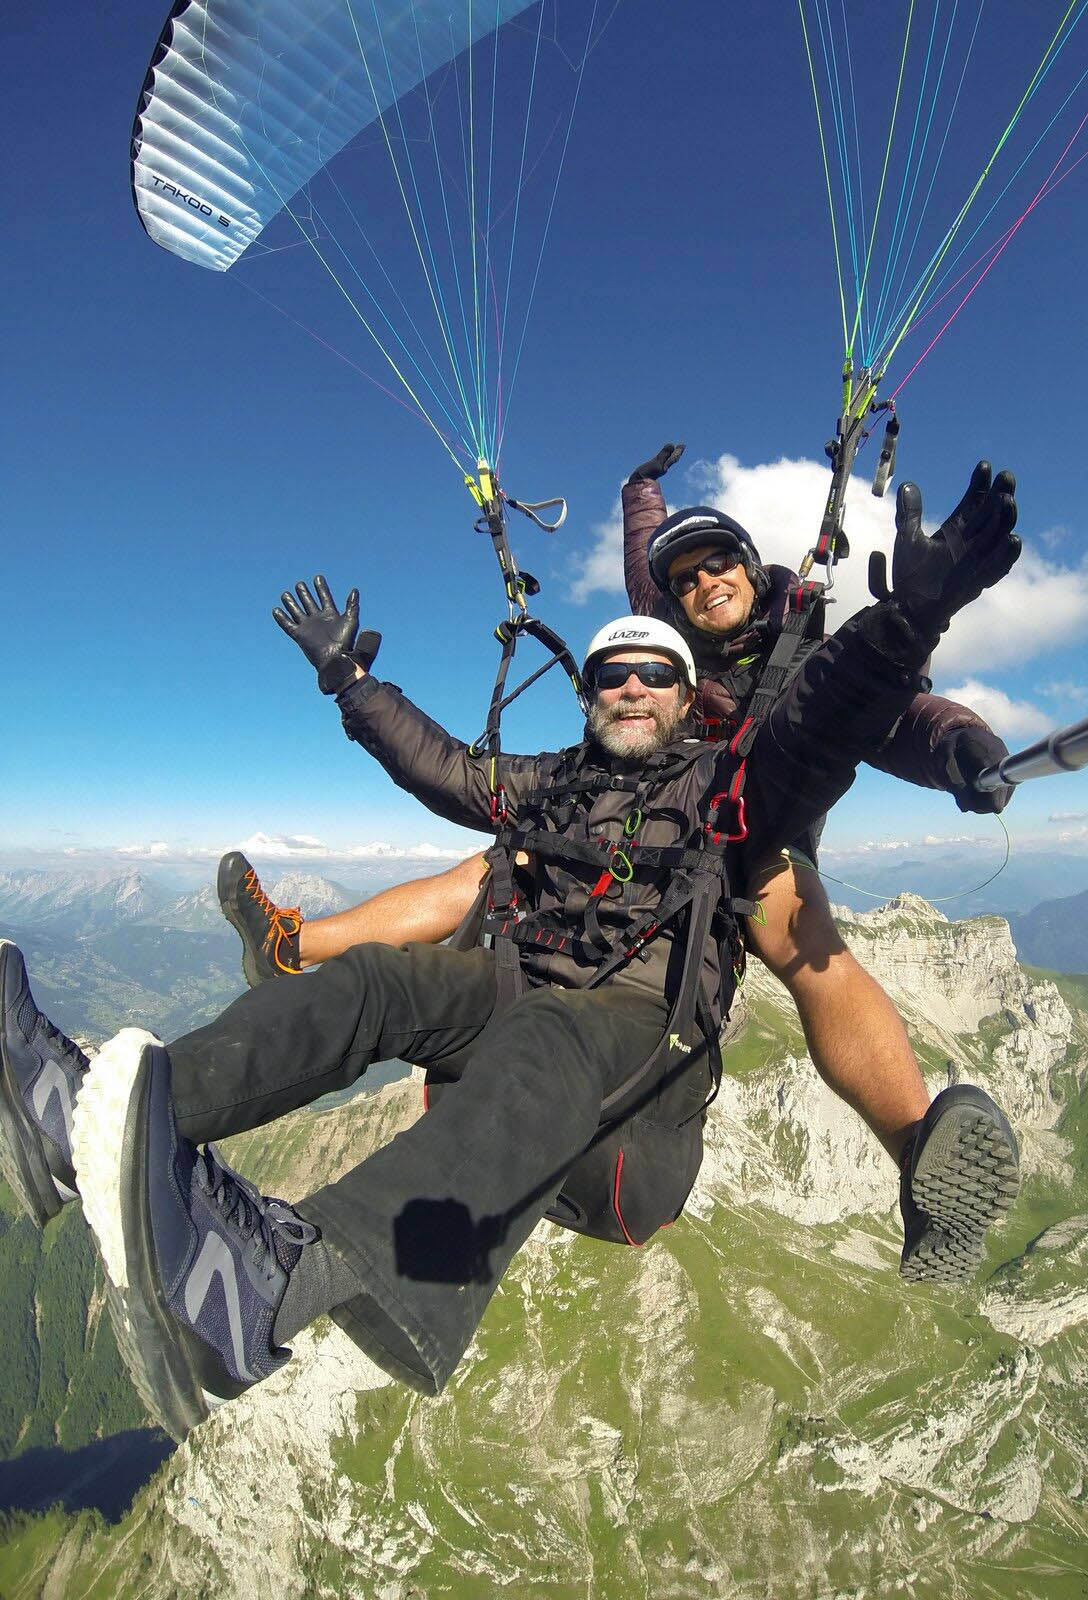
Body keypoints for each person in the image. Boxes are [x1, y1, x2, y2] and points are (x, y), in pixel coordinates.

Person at [0, 474, 1021, 1441]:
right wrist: (348, 679)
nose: (630, 687)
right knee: (383, 979)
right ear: (589, 696)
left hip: (630, 1126)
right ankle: (81, 1112)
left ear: (682, 696)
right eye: (610, 675)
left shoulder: (734, 790)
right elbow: (444, 768)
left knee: (599, 1011)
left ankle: (269, 1286)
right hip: (525, 1036)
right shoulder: (556, 783)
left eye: (653, 675)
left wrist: (910, 622)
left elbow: (822, 725)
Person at [219, 450, 1013, 1184]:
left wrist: (961, 749)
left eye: (720, 565)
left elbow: (896, 714)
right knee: (491, 867)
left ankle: (917, 1147)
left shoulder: (809, 653)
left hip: (755, 828)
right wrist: (640, 490)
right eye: (689, 579)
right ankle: (290, 944)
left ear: (749, 565)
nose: (706, 584)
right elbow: (646, 562)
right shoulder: (668, 639)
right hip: (641, 817)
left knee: (796, 928)